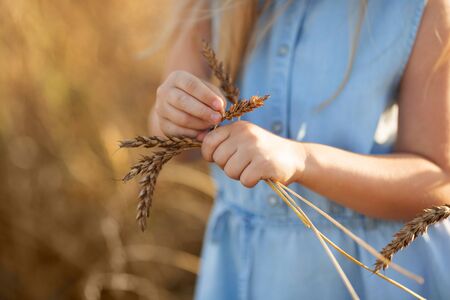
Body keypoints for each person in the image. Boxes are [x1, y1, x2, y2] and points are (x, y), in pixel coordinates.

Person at [149, 0, 450, 299]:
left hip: (369, 275)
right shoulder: (216, 6)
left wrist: (303, 160)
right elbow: (176, 148)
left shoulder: (419, 8)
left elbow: (438, 180)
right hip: (241, 270)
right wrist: (174, 119)